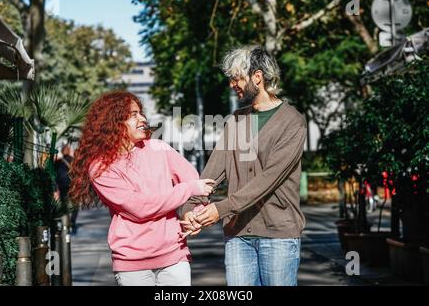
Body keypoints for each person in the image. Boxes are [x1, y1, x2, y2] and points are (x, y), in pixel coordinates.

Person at [179, 45, 307, 286]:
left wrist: (220, 209)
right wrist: (191, 209)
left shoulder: (293, 122)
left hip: (277, 235)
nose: (232, 84)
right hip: (238, 236)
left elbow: (268, 179)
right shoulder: (237, 121)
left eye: (236, 78)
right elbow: (213, 172)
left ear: (257, 77)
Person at [68, 91, 214, 286]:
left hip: (174, 256)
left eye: (141, 113)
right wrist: (188, 189)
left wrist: (194, 213)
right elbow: (139, 207)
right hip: (132, 264)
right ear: (113, 122)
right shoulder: (100, 166)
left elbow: (193, 179)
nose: (142, 119)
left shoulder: (159, 148)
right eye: (133, 115)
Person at [54, 144, 78, 233]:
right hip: (73, 185)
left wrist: (56, 188)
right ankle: (72, 222)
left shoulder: (58, 162)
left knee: (64, 203)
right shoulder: (73, 161)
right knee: (75, 204)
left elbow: (55, 175)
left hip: (62, 185)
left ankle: (66, 222)